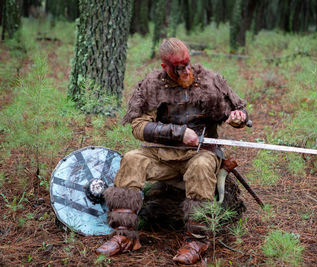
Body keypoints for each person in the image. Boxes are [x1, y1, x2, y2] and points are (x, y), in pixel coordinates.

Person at [95, 38, 248, 264]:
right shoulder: (152, 85)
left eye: (187, 64)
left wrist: (239, 118)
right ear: (165, 67)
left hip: (200, 153)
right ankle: (125, 236)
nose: (186, 71)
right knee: (132, 159)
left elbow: (238, 112)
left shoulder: (210, 81)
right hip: (161, 155)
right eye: (179, 68)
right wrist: (178, 133)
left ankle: (197, 241)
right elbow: (138, 127)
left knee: (202, 166)